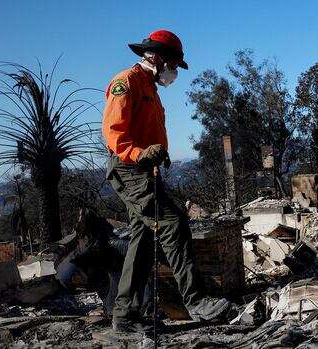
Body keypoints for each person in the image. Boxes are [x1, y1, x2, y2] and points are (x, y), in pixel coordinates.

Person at [102, 29, 231, 335]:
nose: (174, 72)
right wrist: (140, 153)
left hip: (146, 170)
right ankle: (196, 300)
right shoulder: (127, 82)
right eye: (173, 65)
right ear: (158, 58)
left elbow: (151, 130)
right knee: (172, 222)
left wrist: (160, 154)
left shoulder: (151, 88)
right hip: (128, 167)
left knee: (144, 238)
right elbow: (114, 132)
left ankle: (125, 315)